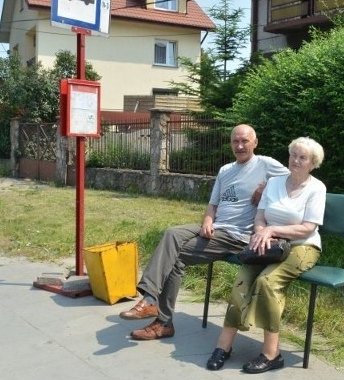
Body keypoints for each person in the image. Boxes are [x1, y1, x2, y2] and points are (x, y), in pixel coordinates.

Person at [119, 124, 289, 341]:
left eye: (245, 141)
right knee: (172, 233)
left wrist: (267, 186)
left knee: (175, 258)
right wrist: (208, 220)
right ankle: (152, 301)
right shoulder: (225, 170)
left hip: (236, 236)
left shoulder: (265, 164)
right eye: (235, 141)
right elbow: (212, 205)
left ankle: (160, 318)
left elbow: (294, 178)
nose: (239, 145)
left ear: (255, 143)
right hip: (215, 229)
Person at [206, 136, 326, 374]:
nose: (296, 160)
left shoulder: (316, 188)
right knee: (242, 280)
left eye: (303, 157)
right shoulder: (275, 182)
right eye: (293, 155)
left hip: (303, 246)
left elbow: (308, 227)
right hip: (269, 244)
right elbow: (260, 216)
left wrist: (272, 230)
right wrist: (261, 231)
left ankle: (272, 354)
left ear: (313, 163)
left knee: (267, 283)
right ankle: (224, 346)